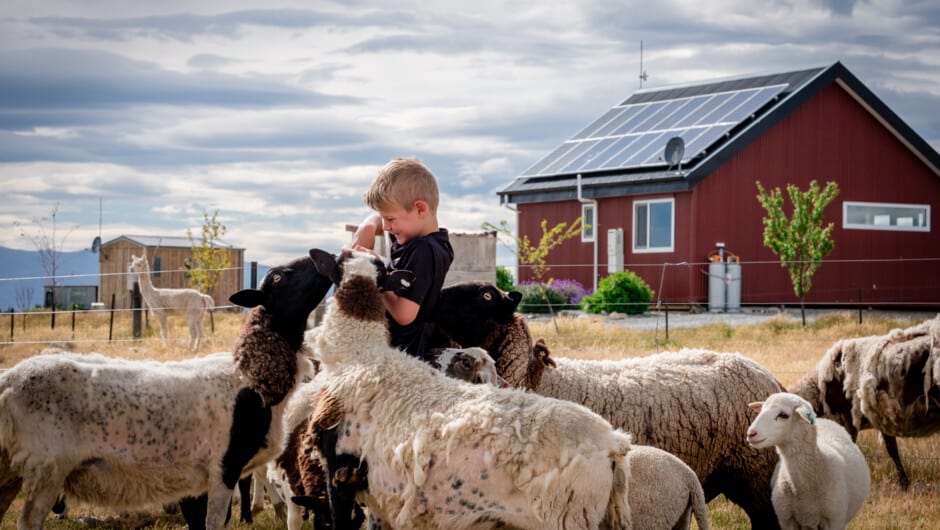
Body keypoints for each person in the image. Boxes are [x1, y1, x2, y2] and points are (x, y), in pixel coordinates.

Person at [349, 157, 454, 358]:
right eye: (383, 218)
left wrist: (375, 271)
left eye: (389, 219)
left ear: (420, 209)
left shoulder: (425, 251)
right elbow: (379, 220)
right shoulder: (410, 235)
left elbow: (405, 314)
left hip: (404, 352)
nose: (386, 226)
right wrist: (368, 227)